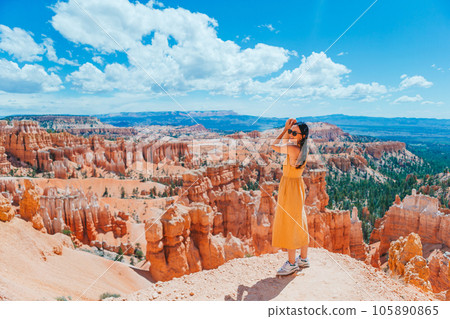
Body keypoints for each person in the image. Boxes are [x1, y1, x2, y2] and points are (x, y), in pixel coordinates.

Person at [270, 118, 310, 275]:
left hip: (290, 187)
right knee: (299, 219)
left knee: (290, 222)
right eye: (291, 132)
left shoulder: (293, 147)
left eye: (294, 132)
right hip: (296, 185)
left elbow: (274, 146)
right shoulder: (302, 147)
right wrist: (289, 131)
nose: (292, 134)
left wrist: (284, 131)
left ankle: (292, 263)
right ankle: (303, 259)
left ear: (301, 136)